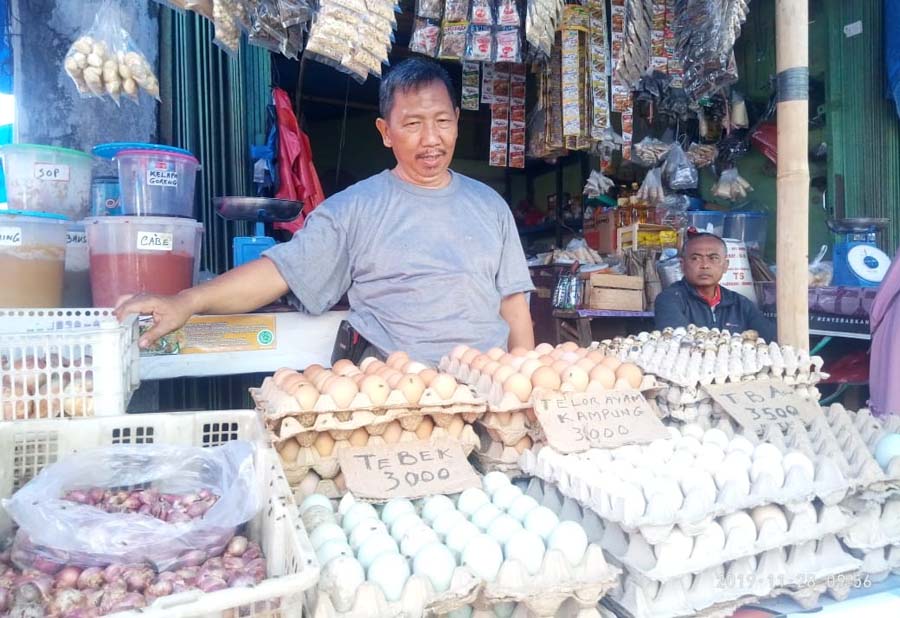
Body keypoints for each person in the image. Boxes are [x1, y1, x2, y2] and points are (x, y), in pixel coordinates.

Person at [115, 58, 535, 366]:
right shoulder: (355, 208)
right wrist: (188, 301)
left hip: (488, 388)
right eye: (412, 125)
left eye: (442, 121)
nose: (431, 138)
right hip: (397, 394)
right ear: (385, 132)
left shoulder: (490, 206)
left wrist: (526, 385)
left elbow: (515, 307)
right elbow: (280, 271)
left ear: (458, 121)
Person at [654, 232, 777, 342]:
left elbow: (771, 339)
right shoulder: (669, 299)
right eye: (695, 258)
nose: (705, 265)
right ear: (682, 265)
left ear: (725, 265)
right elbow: (680, 342)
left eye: (713, 258)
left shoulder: (741, 304)